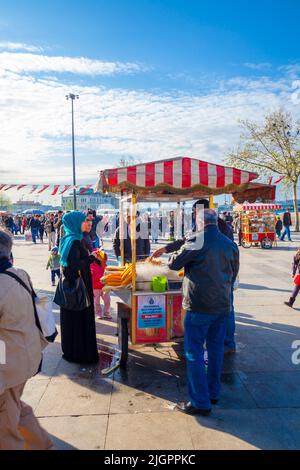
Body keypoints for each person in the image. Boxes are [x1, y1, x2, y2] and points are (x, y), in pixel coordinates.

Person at [168, 210, 239, 415]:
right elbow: (233, 275)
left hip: (198, 305)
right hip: (222, 305)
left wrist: (182, 246)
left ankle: (200, 402)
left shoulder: (196, 240)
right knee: (216, 350)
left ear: (199, 222)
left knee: (194, 352)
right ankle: (213, 393)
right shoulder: (230, 244)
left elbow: (174, 263)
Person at [152, 198, 236, 353]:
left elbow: (184, 253)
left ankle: (228, 343)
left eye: (194, 212)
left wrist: (180, 258)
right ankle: (224, 344)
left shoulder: (217, 228)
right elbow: (186, 241)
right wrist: (165, 248)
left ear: (202, 212)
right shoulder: (210, 228)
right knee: (224, 314)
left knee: (197, 344)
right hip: (223, 280)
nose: (193, 215)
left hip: (211, 281)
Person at [0, 229, 54, 450]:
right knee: (15, 409)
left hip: (8, 366)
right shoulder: (19, 273)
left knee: (5, 428)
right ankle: (44, 445)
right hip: (25, 357)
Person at [59, 211, 99, 364]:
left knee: (72, 321)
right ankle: (80, 352)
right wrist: (91, 258)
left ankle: (73, 350)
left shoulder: (69, 239)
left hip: (73, 288)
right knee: (79, 320)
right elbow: (74, 265)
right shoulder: (74, 241)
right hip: (78, 288)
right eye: (83, 221)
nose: (86, 223)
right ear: (75, 223)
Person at [90, 249, 111, 320]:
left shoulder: (104, 264)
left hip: (105, 286)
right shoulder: (91, 265)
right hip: (95, 287)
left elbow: (108, 273)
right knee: (97, 302)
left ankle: (106, 313)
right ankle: (98, 313)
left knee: (107, 300)